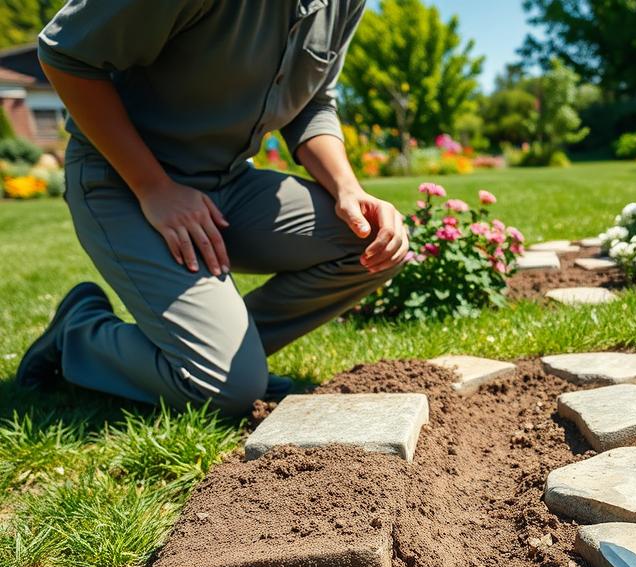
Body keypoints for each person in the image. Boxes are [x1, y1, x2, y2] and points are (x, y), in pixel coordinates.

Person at [17, 0, 408, 415]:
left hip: (229, 181)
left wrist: (348, 188)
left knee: (368, 240)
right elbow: (66, 54)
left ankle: (228, 357)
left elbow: (314, 103)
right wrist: (155, 189)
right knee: (225, 389)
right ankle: (77, 333)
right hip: (124, 182)